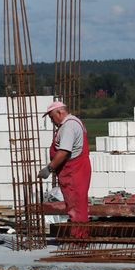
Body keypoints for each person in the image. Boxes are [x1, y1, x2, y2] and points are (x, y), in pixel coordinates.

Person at [39, 101, 91, 235]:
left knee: (76, 208)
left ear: (60, 112)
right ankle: (79, 237)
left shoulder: (68, 126)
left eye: (52, 117)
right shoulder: (75, 122)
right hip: (76, 171)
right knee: (77, 206)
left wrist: (49, 169)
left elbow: (64, 152)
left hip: (74, 173)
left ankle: (79, 240)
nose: (52, 121)